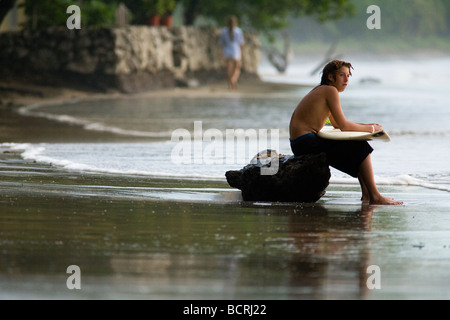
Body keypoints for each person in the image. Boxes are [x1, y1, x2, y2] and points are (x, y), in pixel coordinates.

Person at [289, 59, 403, 205]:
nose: (346, 80)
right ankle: (375, 196)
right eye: (342, 75)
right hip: (305, 142)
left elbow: (336, 123)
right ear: (330, 77)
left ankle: (367, 195)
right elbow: (343, 125)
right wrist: (372, 129)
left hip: (300, 142)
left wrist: (366, 125)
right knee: (360, 147)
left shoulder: (322, 90)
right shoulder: (330, 91)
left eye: (348, 76)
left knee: (358, 146)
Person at [219, 15, 244, 90]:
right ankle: (233, 80)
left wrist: (220, 52)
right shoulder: (238, 31)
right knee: (237, 68)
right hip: (235, 50)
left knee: (229, 68)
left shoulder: (224, 31)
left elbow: (221, 43)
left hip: (227, 50)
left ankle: (230, 83)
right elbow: (241, 43)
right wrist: (242, 52)